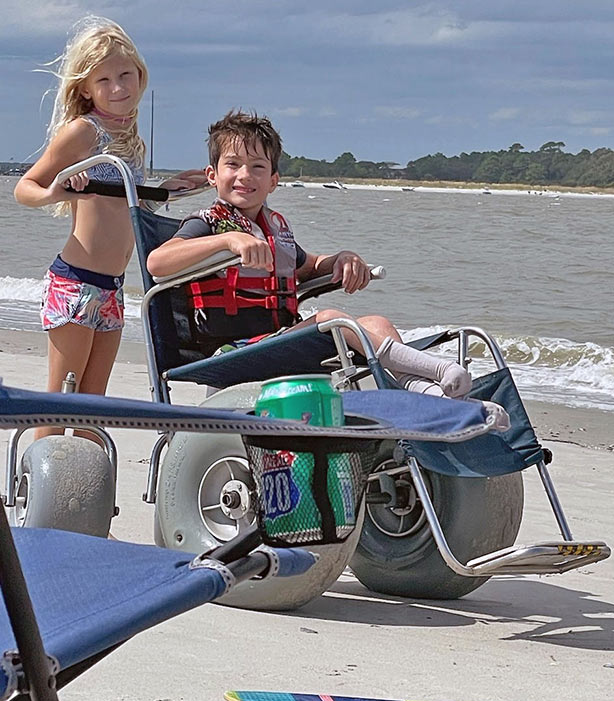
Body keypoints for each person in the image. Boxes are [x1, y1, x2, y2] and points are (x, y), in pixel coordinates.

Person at [146, 110, 473, 399]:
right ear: (212, 175)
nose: (245, 175)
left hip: (275, 339)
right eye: (233, 164)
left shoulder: (274, 227)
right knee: (332, 320)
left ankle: (425, 393)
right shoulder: (208, 224)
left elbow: (309, 265)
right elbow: (157, 263)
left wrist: (341, 259)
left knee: (377, 322)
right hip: (232, 352)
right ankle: (439, 371)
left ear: (273, 181)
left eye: (258, 167)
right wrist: (228, 241)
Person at [13, 17, 204, 438]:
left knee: (92, 406)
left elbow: (125, 201)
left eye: (125, 75)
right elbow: (26, 187)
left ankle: (79, 493)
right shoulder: (83, 131)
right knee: (59, 404)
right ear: (86, 88)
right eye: (105, 80)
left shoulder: (132, 137)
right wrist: (58, 193)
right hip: (75, 284)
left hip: (112, 288)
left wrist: (169, 190)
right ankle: (33, 493)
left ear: (140, 74)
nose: (119, 87)